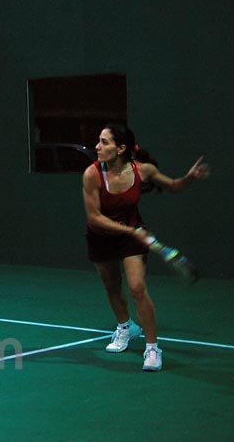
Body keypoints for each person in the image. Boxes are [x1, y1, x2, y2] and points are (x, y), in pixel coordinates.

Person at [82, 124, 209, 372]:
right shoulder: (92, 174)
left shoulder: (142, 170)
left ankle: (152, 348)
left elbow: (174, 186)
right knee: (112, 286)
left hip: (132, 237)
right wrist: (131, 231)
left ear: (121, 148)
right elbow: (95, 217)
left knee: (137, 288)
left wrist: (190, 177)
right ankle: (125, 328)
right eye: (98, 141)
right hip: (102, 236)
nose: (97, 147)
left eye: (104, 142)